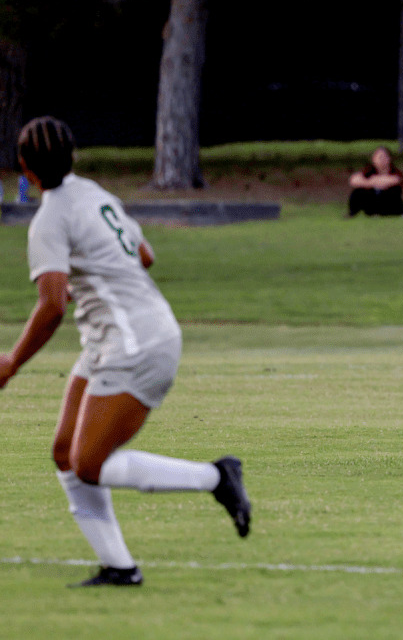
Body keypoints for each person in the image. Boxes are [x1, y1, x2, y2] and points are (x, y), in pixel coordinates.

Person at [0, 117, 251, 587]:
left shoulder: (48, 220)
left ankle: (216, 478)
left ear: (23, 168)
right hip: (119, 335)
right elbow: (145, 256)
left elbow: (52, 305)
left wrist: (11, 363)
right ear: (73, 157)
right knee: (64, 452)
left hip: (135, 343)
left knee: (89, 463)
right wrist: (94, 275)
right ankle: (119, 566)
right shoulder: (93, 193)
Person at [347, 146, 403, 217]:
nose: (382, 160)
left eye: (384, 157)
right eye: (379, 157)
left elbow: (395, 180)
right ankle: (353, 213)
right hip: (372, 200)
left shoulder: (395, 172)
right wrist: (373, 182)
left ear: (389, 159)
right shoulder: (369, 170)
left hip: (390, 204)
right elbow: (353, 180)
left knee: (391, 192)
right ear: (373, 159)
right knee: (357, 192)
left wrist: (371, 181)